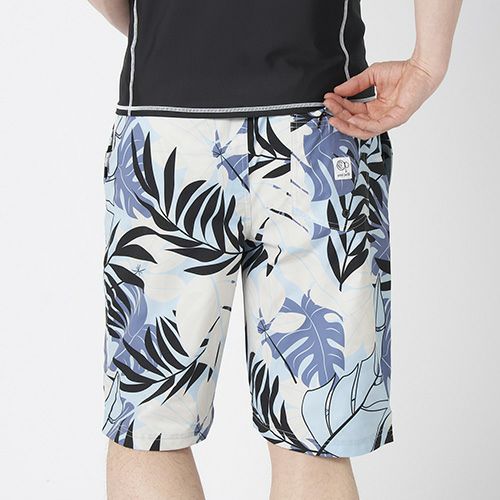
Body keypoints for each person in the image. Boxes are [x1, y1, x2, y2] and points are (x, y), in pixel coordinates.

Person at [89, 1, 462, 498]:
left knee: (148, 428)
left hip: (166, 134)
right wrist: (428, 62)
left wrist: (167, 24)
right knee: (314, 439)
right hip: (320, 127)